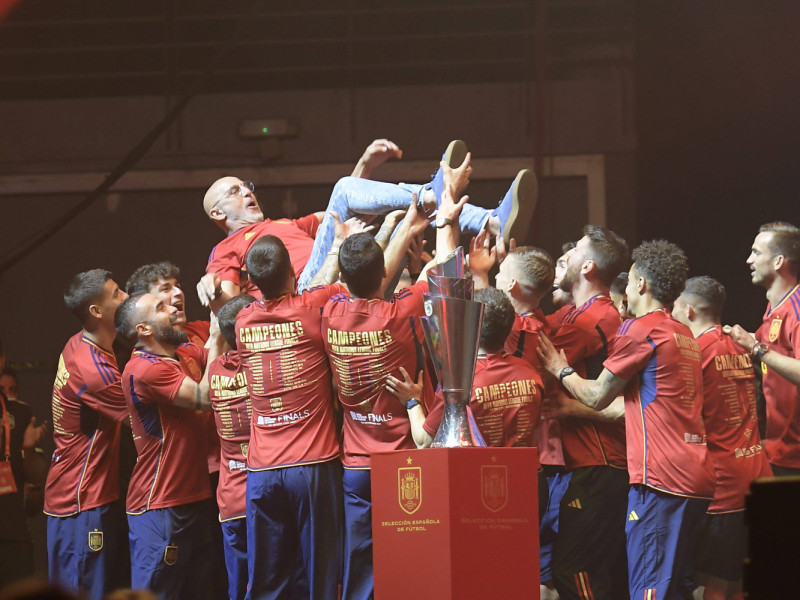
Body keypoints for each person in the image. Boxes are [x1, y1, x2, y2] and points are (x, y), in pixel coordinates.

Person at [537, 240, 715, 600]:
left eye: (630, 279)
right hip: (695, 476)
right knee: (673, 587)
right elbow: (635, 406)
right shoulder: (683, 334)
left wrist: (560, 370)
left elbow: (596, 394)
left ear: (641, 285)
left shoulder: (642, 329)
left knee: (648, 590)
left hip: (660, 480)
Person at [198, 140, 534, 307]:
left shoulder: (284, 225)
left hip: (340, 277)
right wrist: (208, 289)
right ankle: (440, 199)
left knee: (348, 192)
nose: (246, 191)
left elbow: (348, 209)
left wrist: (365, 164)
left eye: (247, 186)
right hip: (301, 297)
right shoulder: (225, 249)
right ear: (217, 213)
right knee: (345, 188)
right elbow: (231, 307)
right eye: (234, 190)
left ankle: (490, 220)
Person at [234, 212, 367, 600]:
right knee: (321, 577)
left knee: (267, 582)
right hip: (312, 465)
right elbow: (332, 283)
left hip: (261, 471)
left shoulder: (243, 322)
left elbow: (302, 288)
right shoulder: (314, 307)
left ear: (253, 284)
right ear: (293, 272)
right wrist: (340, 246)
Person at [324, 195, 444, 600]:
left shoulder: (330, 311)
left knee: (359, 566)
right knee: (411, 560)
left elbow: (363, 279)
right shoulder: (403, 310)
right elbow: (437, 269)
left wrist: (404, 225)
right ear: (385, 276)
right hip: (405, 459)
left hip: (356, 462)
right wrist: (433, 219)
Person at [114, 291, 224, 600]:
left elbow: (222, 353)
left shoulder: (181, 353)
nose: (172, 308)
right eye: (161, 308)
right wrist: (214, 337)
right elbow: (204, 398)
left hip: (195, 496)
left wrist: (222, 312)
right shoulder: (144, 368)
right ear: (144, 329)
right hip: (161, 504)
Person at [672, 276, 772, 600]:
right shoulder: (740, 344)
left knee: (712, 583)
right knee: (737, 581)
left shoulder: (696, 351)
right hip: (756, 474)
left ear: (687, 310)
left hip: (722, 486)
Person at [546, 226, 629, 600]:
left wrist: (568, 407)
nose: (565, 256)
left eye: (575, 250)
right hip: (587, 465)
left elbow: (526, 355)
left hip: (600, 465)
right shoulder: (573, 314)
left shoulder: (593, 321)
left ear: (588, 266)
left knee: (573, 572)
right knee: (598, 573)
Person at [45, 270, 131, 599]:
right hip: (82, 502)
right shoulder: (93, 369)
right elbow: (147, 420)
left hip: (83, 495)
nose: (125, 297)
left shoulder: (81, 342)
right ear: (96, 312)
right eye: (116, 294)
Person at [725, 221, 800, 476]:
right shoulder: (774, 309)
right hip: (781, 452)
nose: (749, 260)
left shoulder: (797, 310)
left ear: (778, 261)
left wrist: (756, 348)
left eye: (756, 253)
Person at [207, 294, 255, 600]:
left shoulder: (213, 372)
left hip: (230, 500)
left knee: (238, 589)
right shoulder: (262, 368)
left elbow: (216, 344)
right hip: (261, 496)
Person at [0, 340, 47, 588]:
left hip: (12, 534)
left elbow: (36, 477)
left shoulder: (19, 412)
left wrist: (28, 449)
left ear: (2, 361)